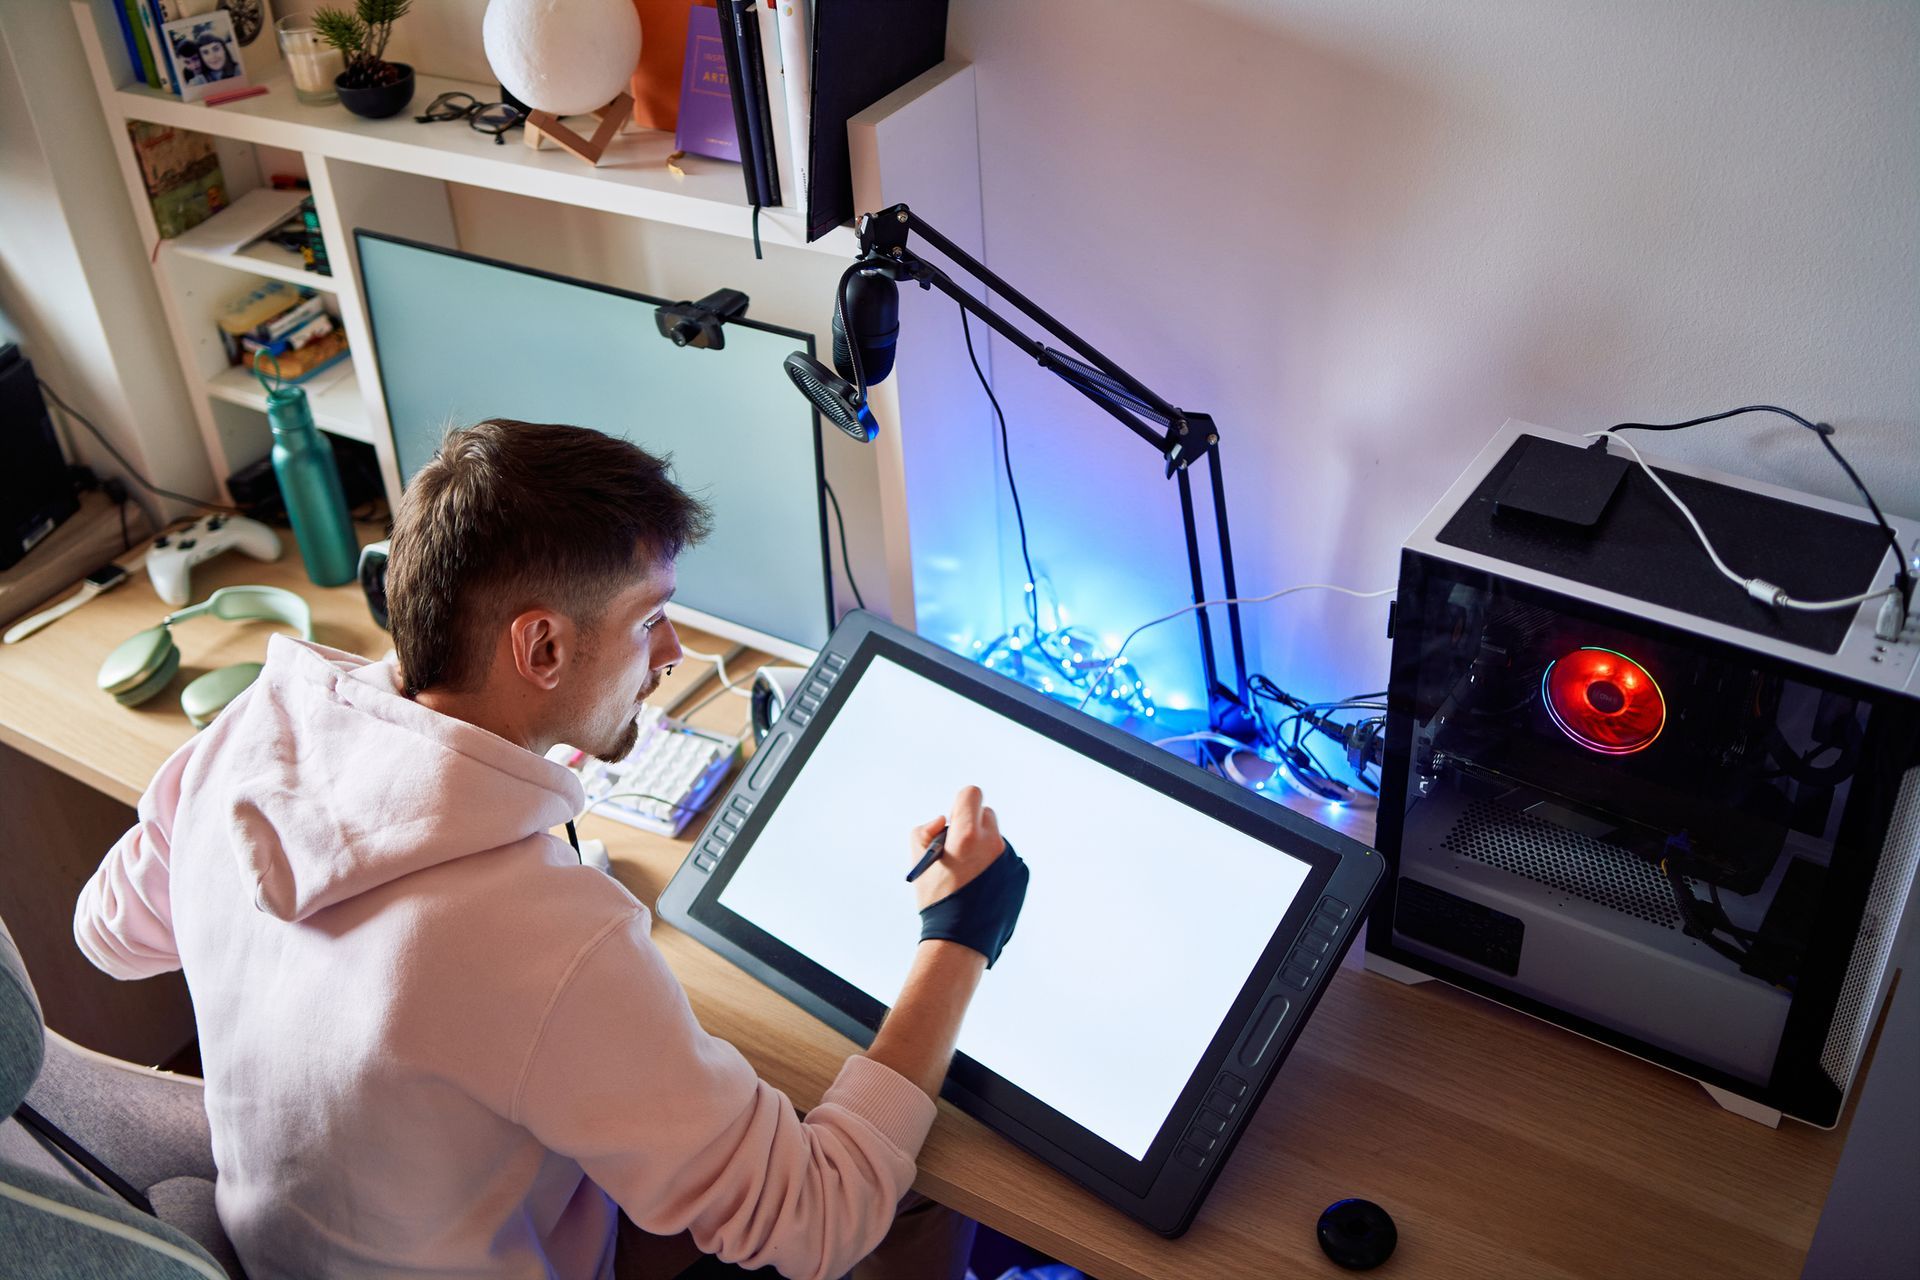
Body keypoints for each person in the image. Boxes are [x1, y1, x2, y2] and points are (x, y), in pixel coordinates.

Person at [74, 419, 1029, 1279]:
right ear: (540, 651)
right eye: (649, 618)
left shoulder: (250, 733)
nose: (669, 654)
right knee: (906, 1191)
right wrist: (957, 933)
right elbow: (816, 1220)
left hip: (290, 1244)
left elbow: (111, 934)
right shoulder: (542, 939)